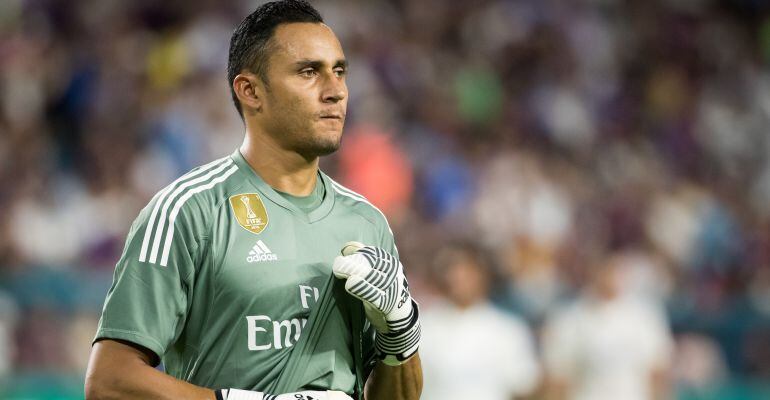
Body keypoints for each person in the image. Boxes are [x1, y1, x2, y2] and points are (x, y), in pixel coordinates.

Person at [84, 1, 423, 399]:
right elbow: (108, 382)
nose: (336, 91)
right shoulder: (188, 210)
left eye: (340, 71)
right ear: (250, 91)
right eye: (309, 72)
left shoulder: (366, 223)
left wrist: (401, 334)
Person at [541, 251, 672, 400]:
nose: (612, 277)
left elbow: (658, 370)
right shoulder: (568, 317)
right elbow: (557, 376)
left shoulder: (645, 315)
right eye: (606, 270)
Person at [419, 243, 540, 400]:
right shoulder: (423, 326)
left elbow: (524, 385)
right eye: (454, 271)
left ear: (482, 275)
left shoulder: (508, 329)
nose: (460, 279)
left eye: (467, 272)